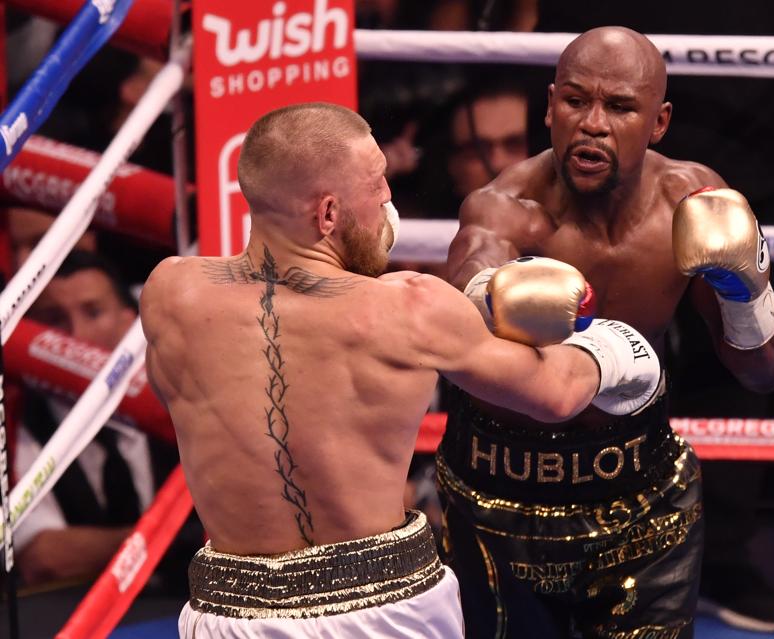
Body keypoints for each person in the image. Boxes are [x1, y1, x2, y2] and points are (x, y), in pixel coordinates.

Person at [140, 102, 661, 638]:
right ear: (327, 214)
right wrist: (612, 342)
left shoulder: (171, 293)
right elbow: (557, 393)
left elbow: (193, 399)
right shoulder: (407, 307)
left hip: (228, 612)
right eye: (377, 183)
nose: (389, 198)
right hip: (384, 612)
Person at [441, 27, 774, 638]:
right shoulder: (505, 209)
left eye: (621, 107)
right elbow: (463, 302)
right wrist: (494, 297)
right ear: (550, 107)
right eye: (576, 101)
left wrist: (746, 290)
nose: (593, 124)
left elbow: (764, 372)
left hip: (643, 498)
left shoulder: (692, 204)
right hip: (499, 497)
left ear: (659, 122)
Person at [13, 250, 151, 587]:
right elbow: (44, 557)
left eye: (93, 312)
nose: (75, 335)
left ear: (130, 322)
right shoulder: (18, 423)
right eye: (54, 319)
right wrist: (173, 540)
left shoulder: (179, 406)